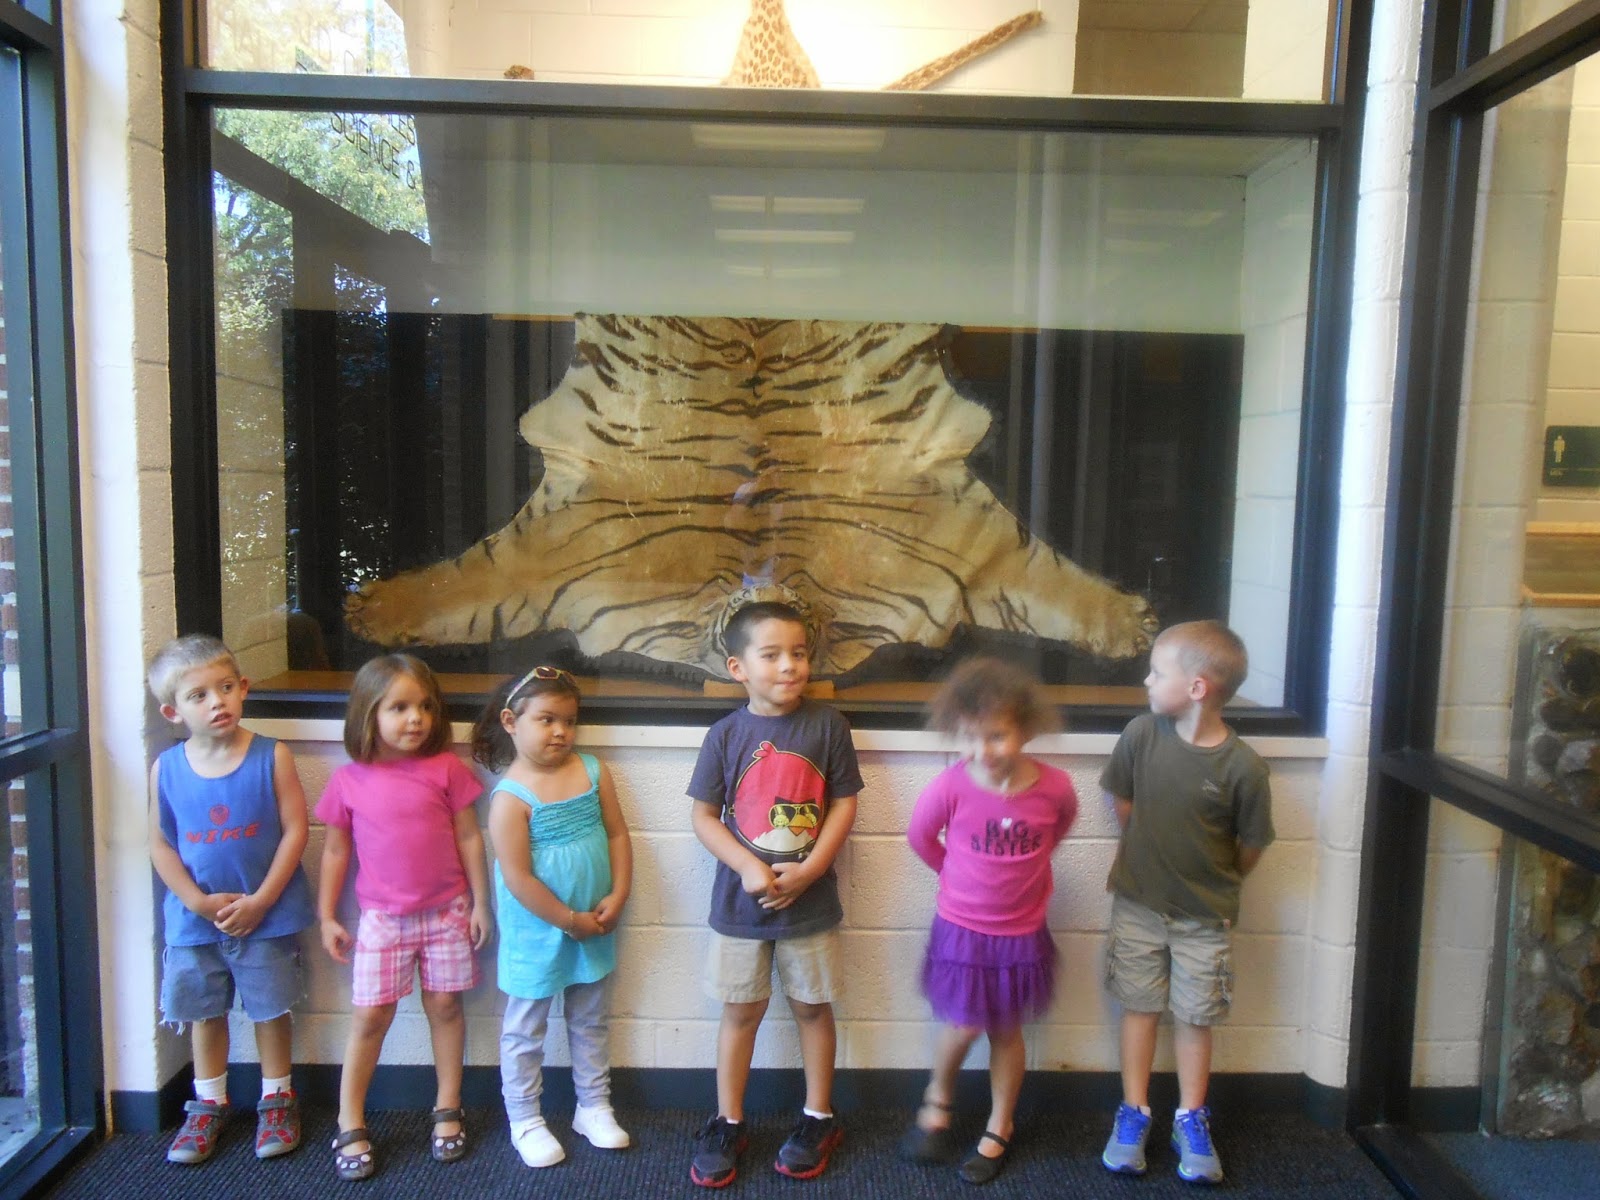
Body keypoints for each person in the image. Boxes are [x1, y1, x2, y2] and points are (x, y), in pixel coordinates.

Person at [687, 600, 862, 1187]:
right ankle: (728, 1121)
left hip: (811, 904)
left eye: (799, 653)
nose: (789, 665)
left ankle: (819, 1116)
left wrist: (812, 869)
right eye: (772, 655)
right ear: (738, 668)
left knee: (813, 1007)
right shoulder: (725, 735)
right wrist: (746, 865)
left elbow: (844, 804)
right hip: (741, 907)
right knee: (741, 1012)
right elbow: (704, 817)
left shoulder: (828, 726)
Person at [1098, 620, 1274, 1185]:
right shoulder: (1140, 736)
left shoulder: (1244, 768)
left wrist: (1214, 883)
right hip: (1138, 907)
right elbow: (1124, 804)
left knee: (1197, 1017)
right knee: (1139, 1007)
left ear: (1197, 687)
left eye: (1157, 672)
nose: (1147, 681)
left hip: (1205, 919)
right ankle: (1134, 1111)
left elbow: (1250, 847)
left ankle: (1190, 1118)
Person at [899, 658, 1077, 1185]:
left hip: (1020, 932)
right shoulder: (951, 786)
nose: (983, 751)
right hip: (963, 930)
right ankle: (938, 1097)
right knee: (962, 1024)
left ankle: (1001, 1122)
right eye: (970, 738)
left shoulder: (1056, 787)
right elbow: (920, 837)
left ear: (1025, 729)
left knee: (1006, 1028)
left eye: (997, 736)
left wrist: (1026, 873)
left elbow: (1059, 827)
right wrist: (952, 873)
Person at [316, 654, 493, 1181]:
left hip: (448, 913)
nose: (416, 718)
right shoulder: (348, 781)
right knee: (371, 1017)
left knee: (446, 1007)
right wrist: (327, 915)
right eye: (399, 708)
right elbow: (335, 853)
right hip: (382, 921)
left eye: (425, 707)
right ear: (368, 714)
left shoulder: (448, 770)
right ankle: (350, 1119)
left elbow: (469, 837)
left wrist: (482, 902)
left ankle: (448, 1106)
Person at [145, 634, 314, 1165]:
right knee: (204, 1013)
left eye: (224, 688)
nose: (216, 702)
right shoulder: (167, 768)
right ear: (173, 711)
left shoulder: (271, 756)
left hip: (267, 918)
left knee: (270, 1009)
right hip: (196, 923)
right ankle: (209, 1104)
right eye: (198, 696)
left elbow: (296, 830)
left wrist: (262, 900)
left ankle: (277, 1098)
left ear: (242, 688)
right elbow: (161, 843)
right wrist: (197, 902)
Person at [470, 665, 634, 1168]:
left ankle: (593, 1106)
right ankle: (525, 1118)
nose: (561, 731)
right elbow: (518, 878)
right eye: (546, 719)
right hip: (538, 930)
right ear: (511, 722)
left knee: (590, 1018)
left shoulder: (593, 771)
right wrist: (567, 920)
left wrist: (619, 892)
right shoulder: (510, 797)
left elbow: (617, 834)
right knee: (526, 1028)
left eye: (569, 720)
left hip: (594, 923)